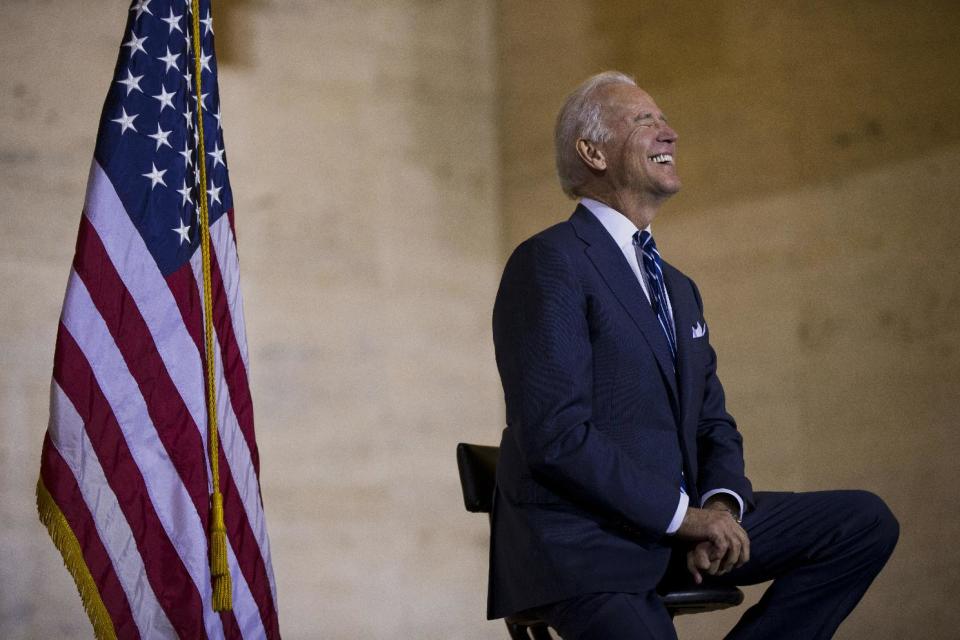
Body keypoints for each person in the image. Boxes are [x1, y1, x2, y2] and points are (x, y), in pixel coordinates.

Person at [487, 71, 899, 640]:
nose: (670, 133)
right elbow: (555, 436)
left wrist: (722, 508)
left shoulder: (678, 287)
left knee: (861, 523)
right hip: (584, 544)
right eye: (644, 121)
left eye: (664, 120)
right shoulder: (549, 262)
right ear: (593, 152)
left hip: (673, 528)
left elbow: (712, 421)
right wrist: (685, 518)